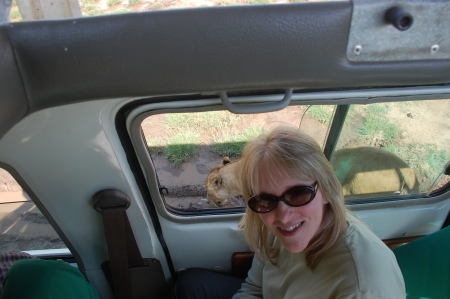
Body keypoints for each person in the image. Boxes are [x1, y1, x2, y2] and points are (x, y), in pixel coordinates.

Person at [175, 126, 405, 299]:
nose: (283, 217)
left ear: (326, 189)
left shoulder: (362, 287)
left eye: (298, 194)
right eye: (264, 199)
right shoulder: (269, 224)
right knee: (189, 284)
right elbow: (255, 288)